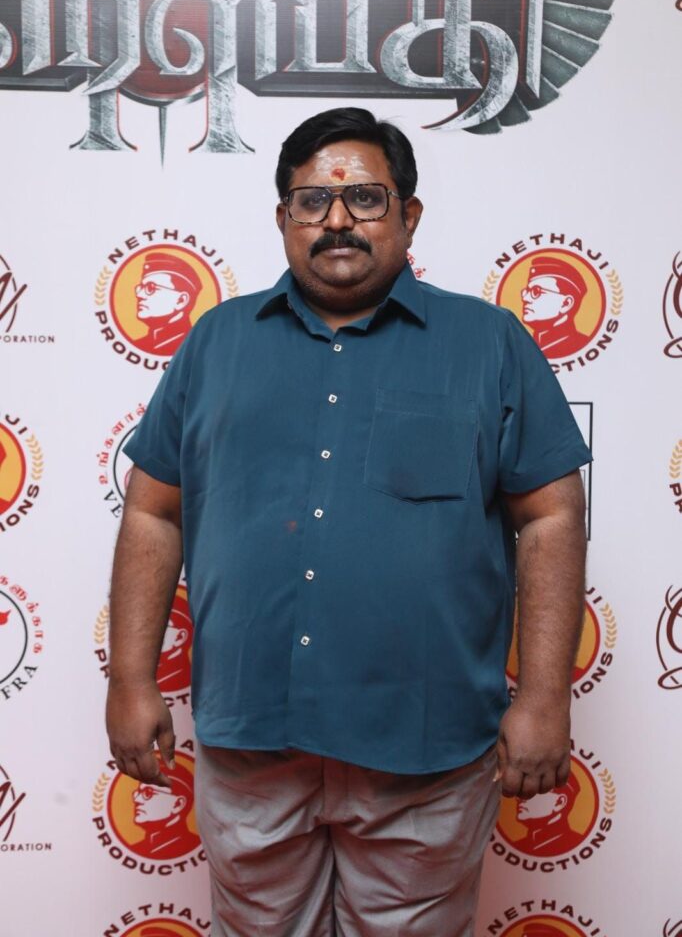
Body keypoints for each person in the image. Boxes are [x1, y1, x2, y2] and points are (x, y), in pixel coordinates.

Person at [106, 107, 591, 936]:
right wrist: (130, 679)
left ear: (410, 214)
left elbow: (550, 515)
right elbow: (154, 511)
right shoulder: (216, 343)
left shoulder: (489, 344)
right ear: (283, 218)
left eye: (366, 198)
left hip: (427, 748)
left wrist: (546, 697)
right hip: (251, 737)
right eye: (312, 201)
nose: (337, 220)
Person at [520, 255, 590, 357]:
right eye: (526, 291)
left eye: (536, 291)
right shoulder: (521, 347)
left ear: (566, 303)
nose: (525, 298)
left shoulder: (583, 345)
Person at [134, 252, 201, 355]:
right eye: (140, 287)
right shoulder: (138, 346)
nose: (139, 294)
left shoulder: (197, 346)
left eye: (150, 288)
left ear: (181, 300)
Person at [130, 758, 197, 858]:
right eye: (137, 793)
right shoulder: (136, 851)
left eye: (147, 793)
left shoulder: (202, 847)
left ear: (177, 804)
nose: (137, 799)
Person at [514, 771, 583, 855]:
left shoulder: (577, 845)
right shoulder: (516, 848)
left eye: (533, 788)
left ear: (559, 802)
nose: (518, 798)